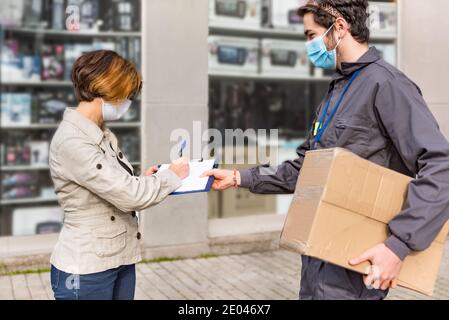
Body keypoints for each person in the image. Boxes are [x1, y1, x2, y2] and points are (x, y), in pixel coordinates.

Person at [202, 0, 449, 299]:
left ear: (340, 27)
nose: (308, 45)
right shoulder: (337, 91)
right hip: (318, 257)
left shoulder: (387, 85)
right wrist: (241, 178)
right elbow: (306, 169)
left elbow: (441, 166)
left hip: (355, 265)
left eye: (311, 35)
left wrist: (398, 246)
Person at [48, 50, 189, 300]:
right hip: (87, 271)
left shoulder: (99, 133)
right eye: (125, 94)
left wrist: (146, 179)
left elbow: (114, 184)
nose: (127, 102)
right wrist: (171, 176)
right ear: (107, 89)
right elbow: (128, 195)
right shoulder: (73, 141)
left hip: (117, 259)